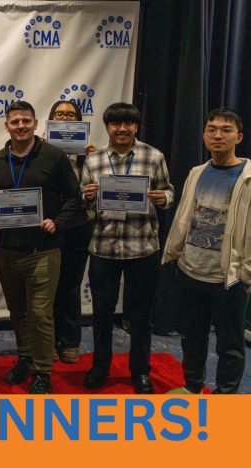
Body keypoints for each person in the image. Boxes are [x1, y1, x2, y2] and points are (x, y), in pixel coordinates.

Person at [0, 101, 84, 394]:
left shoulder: (54, 156)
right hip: (7, 250)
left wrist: (58, 222)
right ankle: (25, 357)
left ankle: (42, 371)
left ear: (36, 123)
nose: (21, 126)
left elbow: (75, 198)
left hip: (44, 250)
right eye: (15, 122)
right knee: (18, 312)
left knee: (40, 314)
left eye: (26, 121)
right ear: (6, 126)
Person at [81, 102, 174, 394]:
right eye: (115, 124)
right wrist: (86, 196)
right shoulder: (93, 161)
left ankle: (140, 371)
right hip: (103, 248)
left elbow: (169, 190)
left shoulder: (153, 156)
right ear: (107, 127)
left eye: (128, 124)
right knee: (102, 315)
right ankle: (100, 367)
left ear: (136, 127)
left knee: (141, 316)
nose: (122, 129)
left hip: (143, 247)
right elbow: (84, 202)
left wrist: (164, 198)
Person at [163, 108, 249, 394]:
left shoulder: (248, 177)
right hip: (191, 271)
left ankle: (225, 399)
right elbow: (185, 217)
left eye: (225, 129)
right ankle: (192, 387)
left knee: (230, 346)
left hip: (228, 278)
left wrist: (246, 273)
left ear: (239, 136)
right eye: (211, 129)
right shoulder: (197, 172)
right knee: (192, 337)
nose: (217, 134)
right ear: (204, 135)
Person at [46, 100, 96, 364]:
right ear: (51, 118)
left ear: (79, 120)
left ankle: (71, 342)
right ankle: (49, 341)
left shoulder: (89, 153)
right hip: (50, 225)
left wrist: (92, 157)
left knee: (70, 284)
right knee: (47, 285)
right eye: (60, 114)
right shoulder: (40, 148)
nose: (65, 117)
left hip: (78, 225)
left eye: (71, 114)